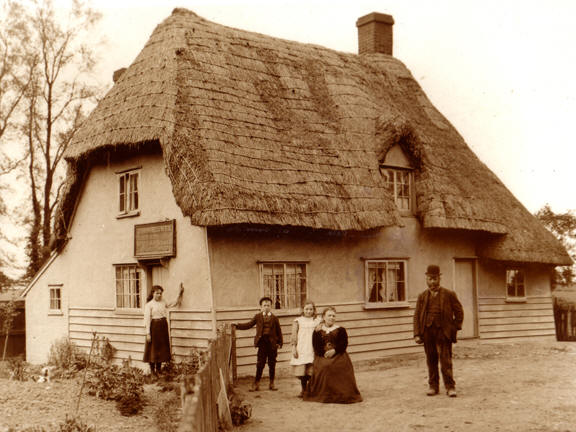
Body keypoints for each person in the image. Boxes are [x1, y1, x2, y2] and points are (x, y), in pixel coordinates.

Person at [413, 265, 464, 397]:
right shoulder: (422, 296)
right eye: (430, 279)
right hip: (427, 332)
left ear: (439, 278)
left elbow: (459, 312)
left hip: (444, 332)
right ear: (426, 279)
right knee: (431, 360)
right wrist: (417, 334)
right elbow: (417, 316)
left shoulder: (449, 294)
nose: (432, 282)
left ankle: (450, 387)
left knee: (445, 360)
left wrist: (454, 327)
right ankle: (433, 386)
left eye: (435, 279)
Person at [303, 306, 362, 404]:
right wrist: (324, 353)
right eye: (329, 315)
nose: (331, 318)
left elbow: (344, 344)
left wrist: (334, 351)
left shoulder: (341, 330)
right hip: (322, 355)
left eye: (333, 316)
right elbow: (316, 345)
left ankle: (340, 393)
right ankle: (324, 394)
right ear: (324, 317)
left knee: (338, 366)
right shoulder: (318, 330)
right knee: (325, 366)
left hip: (338, 354)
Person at [235, 296, 283, 391]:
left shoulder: (275, 318)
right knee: (260, 363)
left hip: (272, 344)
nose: (266, 307)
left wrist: (280, 342)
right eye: (264, 305)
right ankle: (256, 384)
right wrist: (237, 325)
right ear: (261, 307)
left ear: (271, 306)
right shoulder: (258, 317)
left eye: (268, 305)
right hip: (262, 343)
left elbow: (279, 331)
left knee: (272, 363)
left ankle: (272, 383)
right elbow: (249, 324)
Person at [143, 283, 184, 377]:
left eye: (161, 293)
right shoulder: (149, 305)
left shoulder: (163, 302)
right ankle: (152, 371)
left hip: (162, 326)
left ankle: (159, 370)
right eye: (157, 293)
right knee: (153, 349)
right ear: (153, 293)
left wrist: (179, 293)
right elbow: (147, 320)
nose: (159, 295)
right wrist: (148, 333)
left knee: (161, 348)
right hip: (154, 327)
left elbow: (173, 303)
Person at [290, 300, 321, 398]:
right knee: (302, 371)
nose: (308, 311)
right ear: (303, 310)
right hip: (302, 347)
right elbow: (294, 335)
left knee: (311, 371)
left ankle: (310, 389)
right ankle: (303, 390)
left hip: (313, 348)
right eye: (306, 309)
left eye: (311, 309)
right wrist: (294, 348)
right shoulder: (298, 321)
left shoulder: (317, 321)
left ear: (314, 310)